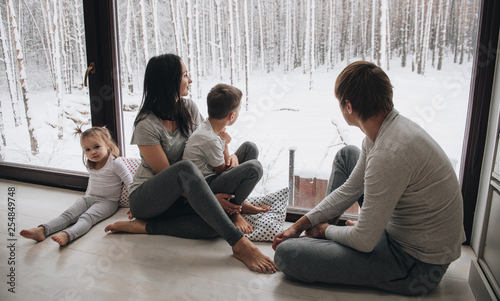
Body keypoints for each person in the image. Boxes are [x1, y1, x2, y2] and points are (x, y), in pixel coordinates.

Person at [272, 61, 466, 296]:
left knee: (287, 255)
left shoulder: (388, 154)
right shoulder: (384, 132)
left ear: (349, 106)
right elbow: (349, 189)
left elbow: (365, 241)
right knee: (347, 155)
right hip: (399, 233)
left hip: (416, 266)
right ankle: (335, 237)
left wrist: (324, 231)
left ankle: (332, 238)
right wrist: (300, 225)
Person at [104, 54, 277, 274]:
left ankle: (234, 209)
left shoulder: (189, 108)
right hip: (151, 196)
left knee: (213, 224)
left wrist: (229, 155)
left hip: (191, 186)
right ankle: (239, 243)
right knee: (188, 175)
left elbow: (204, 144)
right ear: (169, 82)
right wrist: (210, 199)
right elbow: (172, 176)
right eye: (185, 75)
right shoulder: (146, 124)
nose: (190, 80)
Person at [20, 127, 132, 246]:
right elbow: (92, 182)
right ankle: (42, 230)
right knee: (67, 215)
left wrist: (134, 203)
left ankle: (68, 235)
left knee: (87, 217)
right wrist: (86, 197)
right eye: (87, 149)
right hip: (89, 198)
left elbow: (130, 182)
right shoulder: (91, 164)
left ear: (107, 145)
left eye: (96, 147)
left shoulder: (115, 163)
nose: (92, 152)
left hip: (108, 202)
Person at [183, 83, 270, 234]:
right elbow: (221, 170)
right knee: (255, 168)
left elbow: (222, 163)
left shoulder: (209, 125)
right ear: (232, 116)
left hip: (212, 175)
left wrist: (232, 156)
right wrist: (226, 147)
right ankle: (234, 211)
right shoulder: (209, 138)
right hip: (205, 185)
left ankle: (239, 203)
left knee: (250, 147)